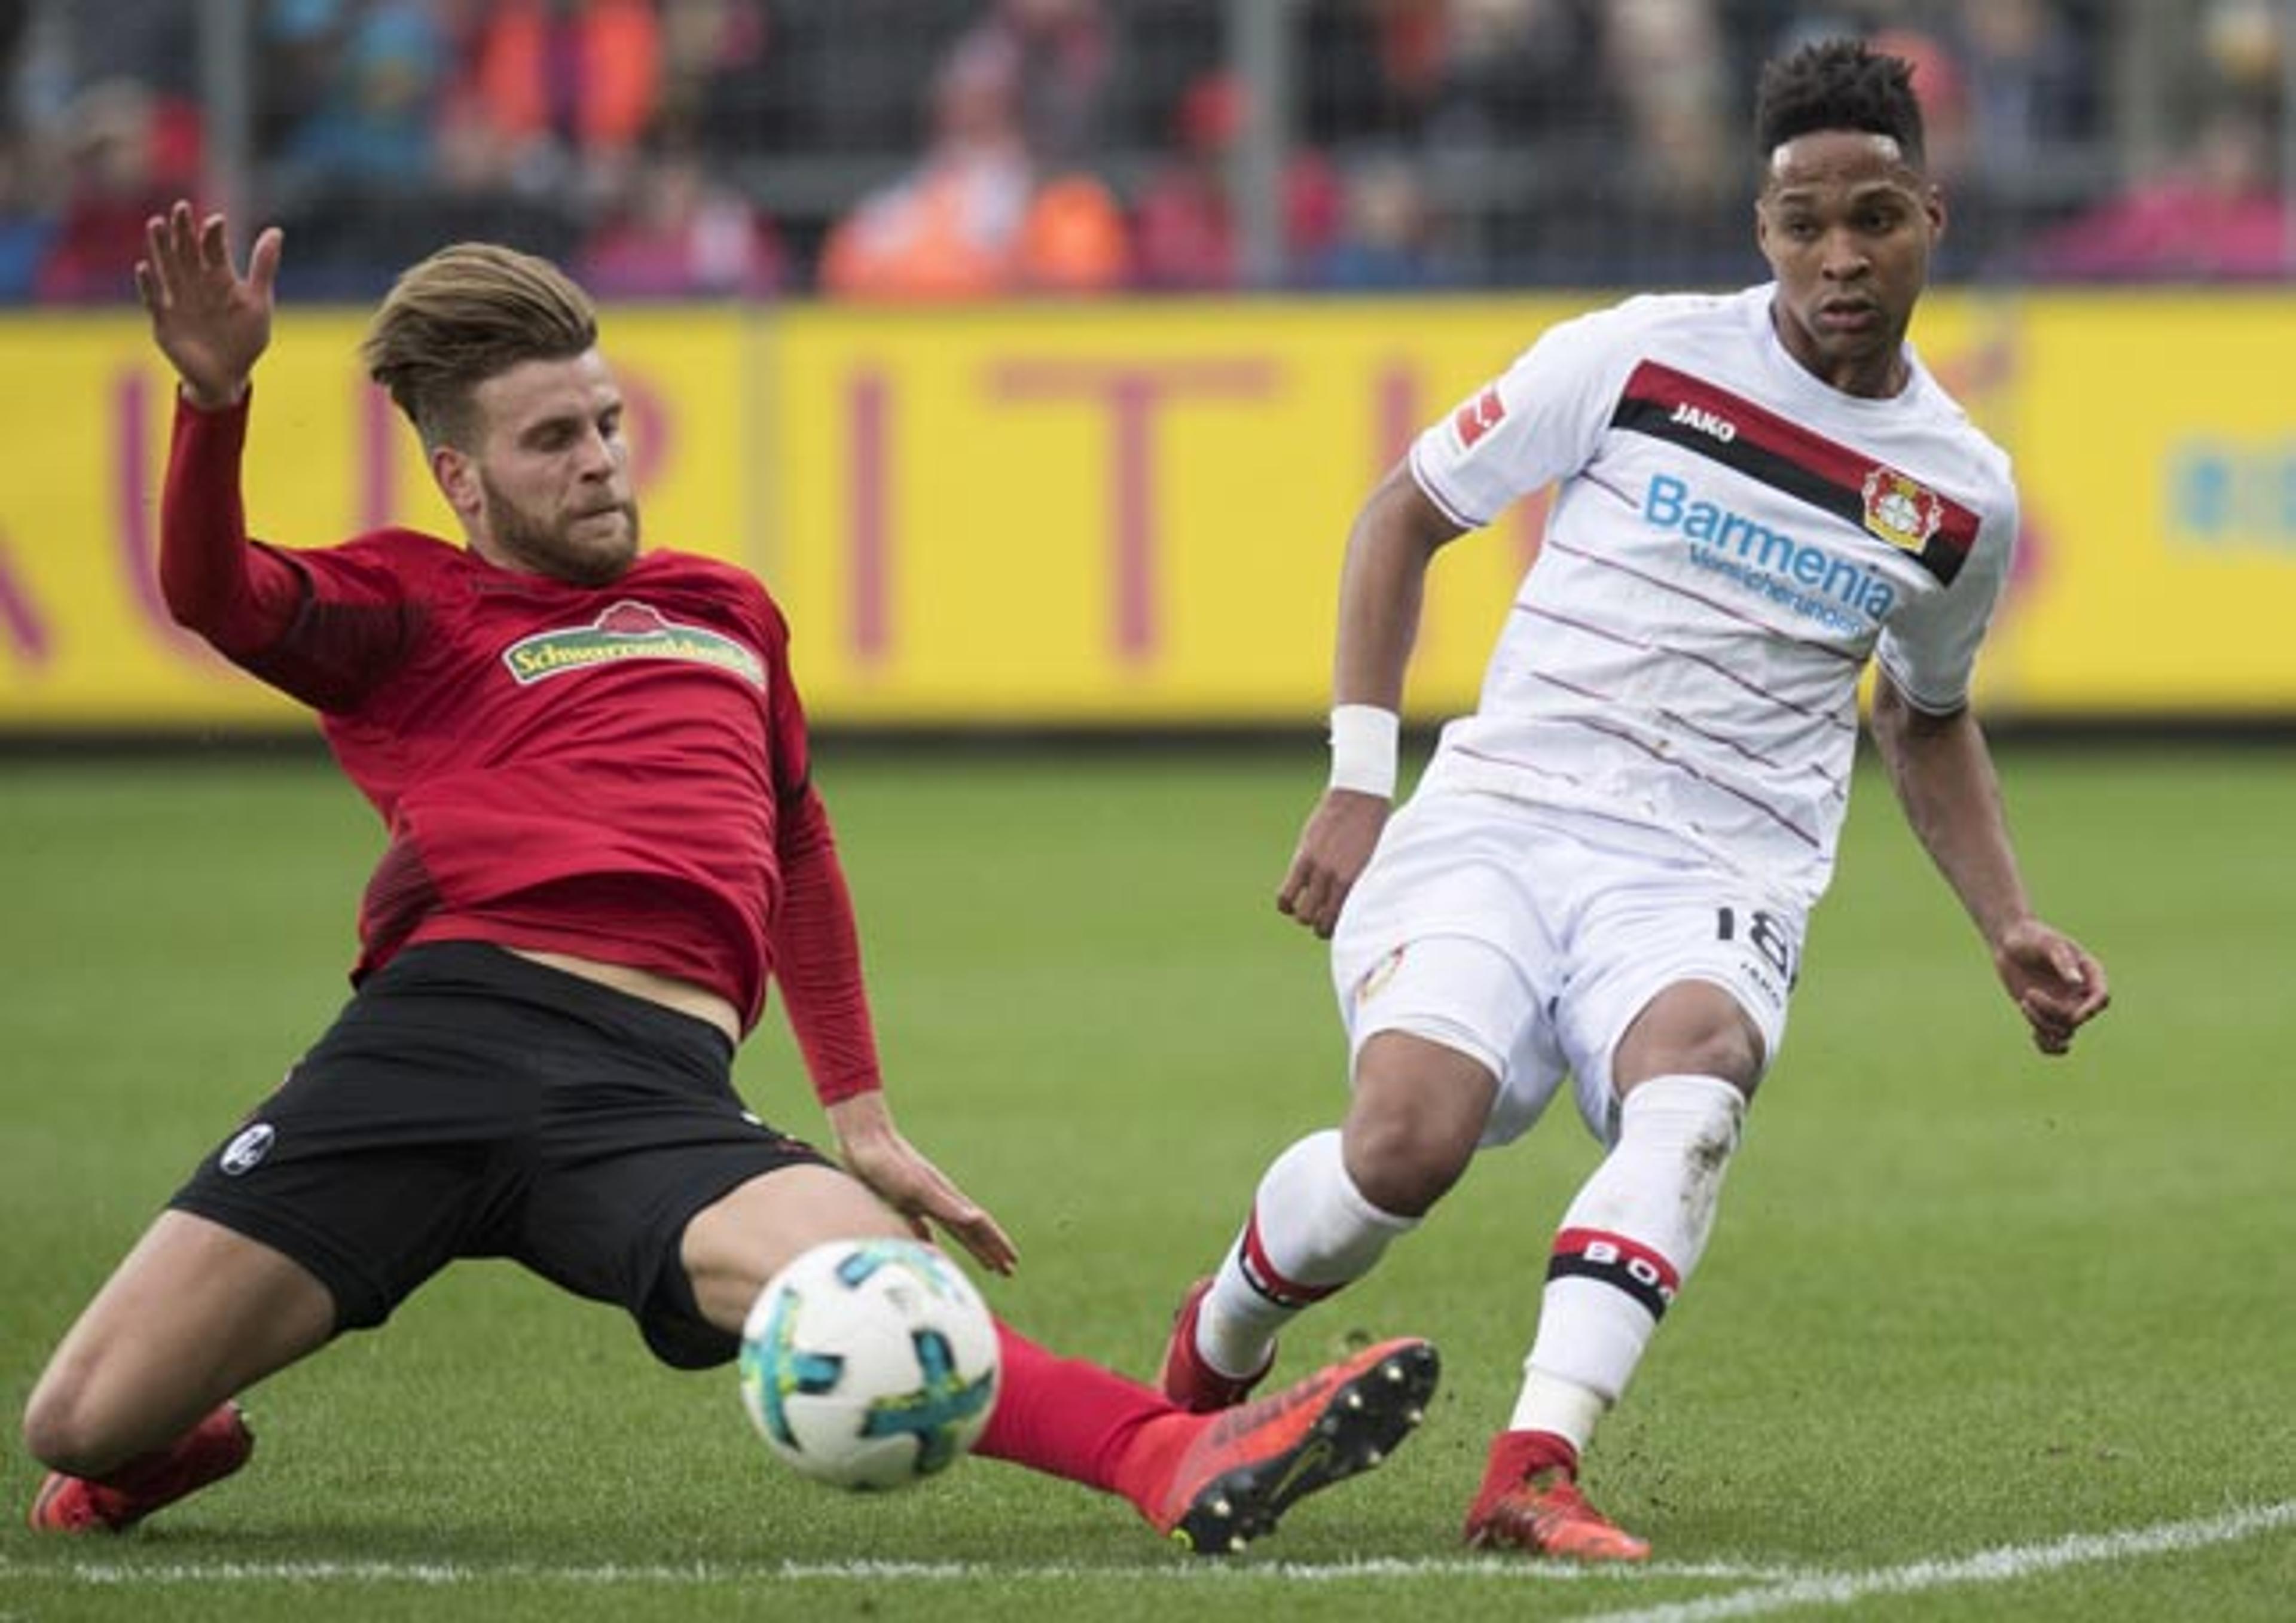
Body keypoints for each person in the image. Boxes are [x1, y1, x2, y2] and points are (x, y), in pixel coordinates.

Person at [20, 199, 1439, 1552]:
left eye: (610, 424)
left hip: (652, 1089)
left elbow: (799, 840)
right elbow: (214, 595)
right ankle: (165, 1442)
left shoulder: (723, 611)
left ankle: (1177, 1457)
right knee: (75, 1421)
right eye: (552, 440)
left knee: (900, 1297)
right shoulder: (412, 605)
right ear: (460, 476)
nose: (600, 460)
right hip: (429, 1049)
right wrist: (213, 407)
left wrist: (862, 1114)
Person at [1155, 38, 2109, 1562]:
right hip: (1507, 817)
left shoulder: (1959, 495)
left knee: (1699, 1066)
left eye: (1875, 216)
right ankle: (1207, 1356)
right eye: (1805, 224)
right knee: (1404, 1145)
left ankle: (1533, 1464)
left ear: (1934, 213)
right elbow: (1402, 516)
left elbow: (1925, 721)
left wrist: (2008, 922)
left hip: (1716, 871)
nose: (1840, 258)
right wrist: (1356, 775)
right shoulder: (1641, 355)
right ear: (1761, 230)